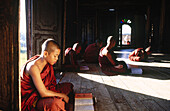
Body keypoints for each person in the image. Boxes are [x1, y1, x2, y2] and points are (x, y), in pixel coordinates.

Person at [20, 38, 74, 111]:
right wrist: (63, 96)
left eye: (57, 56)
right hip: (32, 99)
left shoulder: (46, 63)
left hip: (45, 90)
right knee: (55, 103)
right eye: (55, 56)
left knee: (68, 86)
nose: (57, 59)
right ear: (45, 54)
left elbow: (50, 85)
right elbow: (43, 93)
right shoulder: (33, 67)